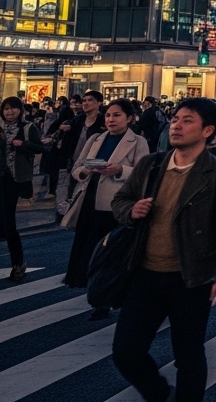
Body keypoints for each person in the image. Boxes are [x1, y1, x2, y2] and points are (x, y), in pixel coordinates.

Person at [110, 98, 216, 402]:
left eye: (187, 120)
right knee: (126, 351)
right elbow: (120, 200)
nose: (176, 125)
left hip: (191, 278)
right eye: (176, 119)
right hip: (144, 273)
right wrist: (131, 211)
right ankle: (159, 394)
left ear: (207, 130)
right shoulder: (152, 164)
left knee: (188, 355)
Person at [65, 98, 151, 317]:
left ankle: (112, 297)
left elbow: (144, 173)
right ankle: (99, 299)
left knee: (113, 252)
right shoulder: (96, 138)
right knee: (92, 251)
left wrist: (119, 169)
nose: (111, 119)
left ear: (129, 118)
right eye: (109, 115)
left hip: (117, 204)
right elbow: (77, 166)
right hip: (90, 200)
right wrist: (84, 173)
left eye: (117, 115)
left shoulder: (138, 141)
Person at [0, 97, 43, 281]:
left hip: (13, 181)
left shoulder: (28, 128)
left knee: (9, 222)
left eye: (13, 109)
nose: (9, 112)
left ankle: (18, 263)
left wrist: (23, 144)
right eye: (6, 109)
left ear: (20, 110)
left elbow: (39, 148)